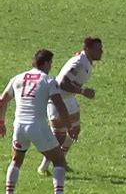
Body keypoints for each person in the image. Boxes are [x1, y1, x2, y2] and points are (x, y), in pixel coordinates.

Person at [0, 49, 78, 194]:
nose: (51, 66)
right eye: (51, 63)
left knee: (16, 160)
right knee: (59, 160)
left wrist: (1, 123)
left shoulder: (18, 78)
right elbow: (60, 105)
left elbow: (2, 100)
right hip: (39, 127)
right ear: (46, 63)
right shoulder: (48, 81)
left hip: (19, 126)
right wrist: (69, 126)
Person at [38, 37, 103, 175]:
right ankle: (44, 167)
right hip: (58, 99)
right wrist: (83, 91)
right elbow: (62, 83)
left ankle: (61, 161)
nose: (101, 52)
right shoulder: (79, 63)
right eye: (98, 49)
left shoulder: (85, 61)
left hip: (69, 98)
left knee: (75, 130)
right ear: (88, 49)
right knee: (59, 137)